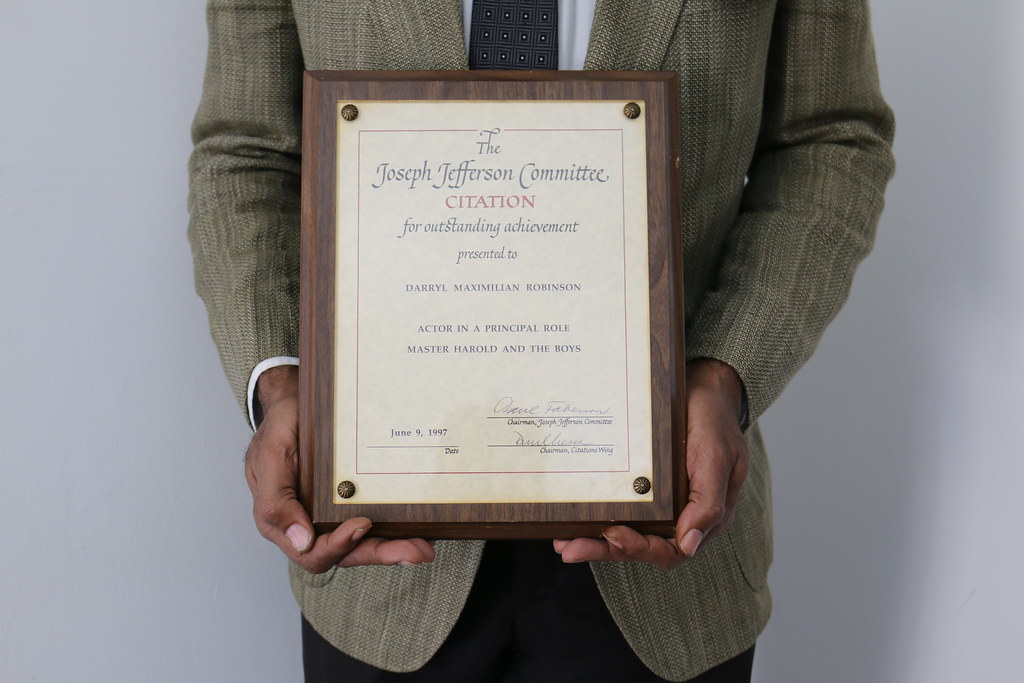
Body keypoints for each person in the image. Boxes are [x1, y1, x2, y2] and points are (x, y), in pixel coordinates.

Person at [188, 1, 894, 680]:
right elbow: (248, 152)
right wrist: (279, 383)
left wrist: (724, 372)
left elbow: (828, 140)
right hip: (378, 559)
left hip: (666, 543)